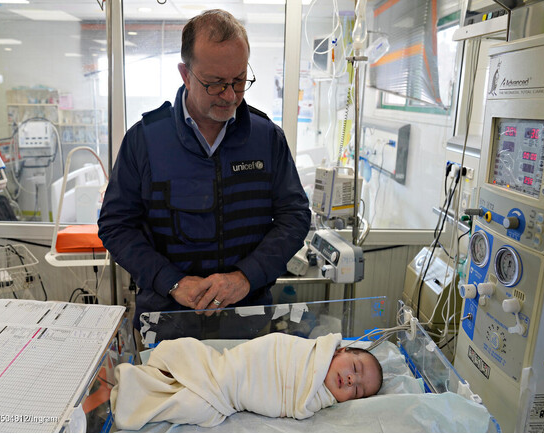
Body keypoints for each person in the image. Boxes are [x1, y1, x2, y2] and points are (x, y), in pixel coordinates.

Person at [97, 9, 311, 338]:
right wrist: (172, 281)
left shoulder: (266, 138)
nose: (230, 95)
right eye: (215, 84)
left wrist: (246, 277)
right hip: (166, 320)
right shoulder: (146, 141)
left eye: (239, 80)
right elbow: (115, 225)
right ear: (186, 74)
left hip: (247, 318)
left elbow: (294, 217)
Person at [110, 333, 383, 429]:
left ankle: (135, 394)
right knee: (191, 360)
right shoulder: (306, 351)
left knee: (194, 406)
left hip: (229, 397)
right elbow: (270, 349)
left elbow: (295, 407)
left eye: (358, 390)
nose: (351, 380)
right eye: (355, 368)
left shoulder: (318, 400)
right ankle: (147, 381)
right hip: (228, 368)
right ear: (340, 351)